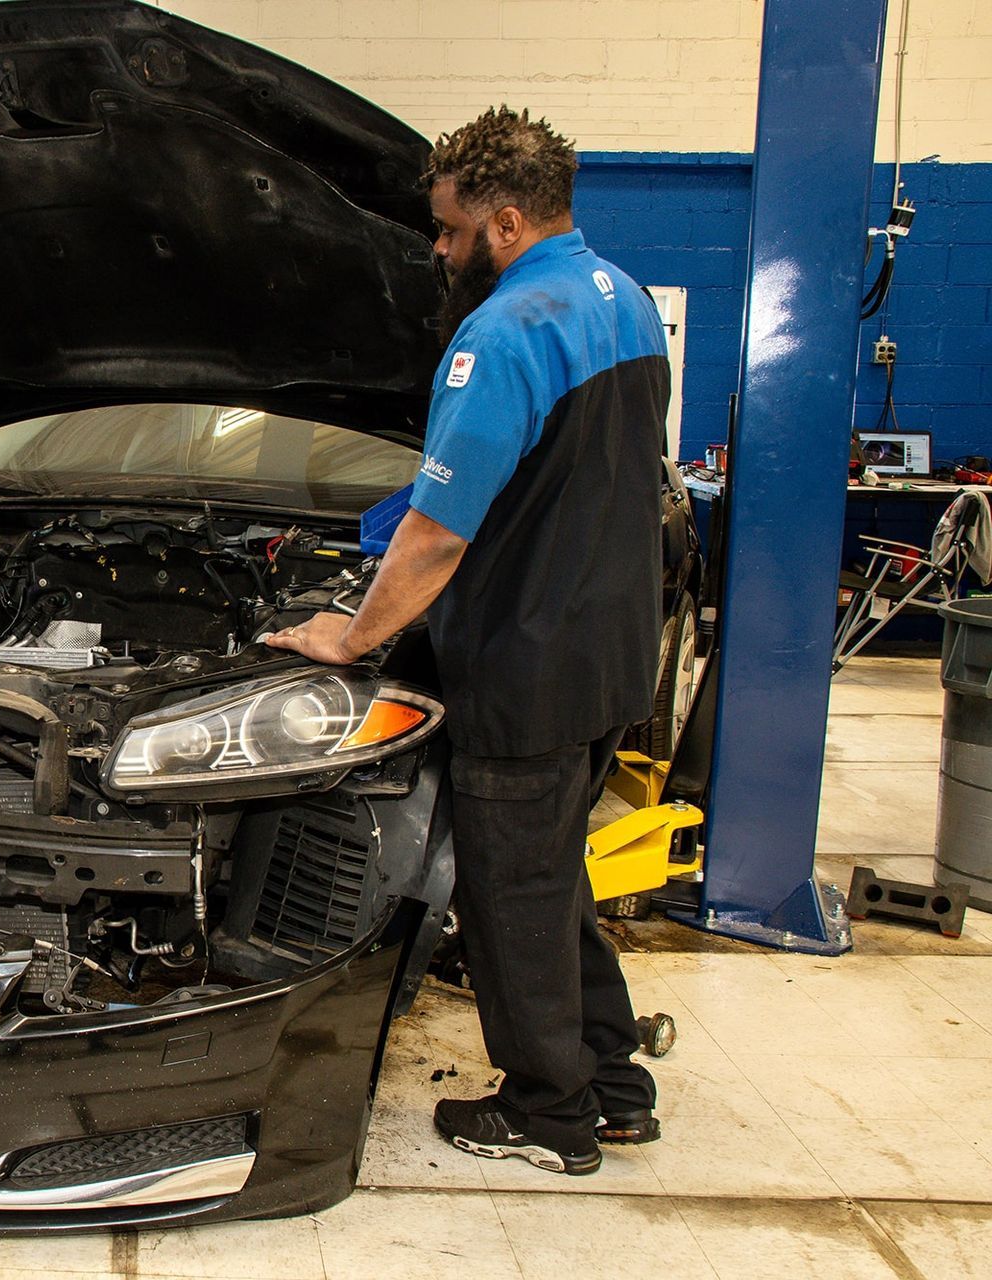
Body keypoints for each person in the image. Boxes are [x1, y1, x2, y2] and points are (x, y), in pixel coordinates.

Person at [268, 106, 667, 1177]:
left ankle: (551, 1110)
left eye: (446, 232)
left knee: (510, 894)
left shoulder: (501, 331)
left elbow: (440, 532)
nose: (437, 252)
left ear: (501, 221)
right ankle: (616, 1083)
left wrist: (351, 636)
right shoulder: (620, 298)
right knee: (553, 875)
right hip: (612, 648)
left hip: (526, 663)